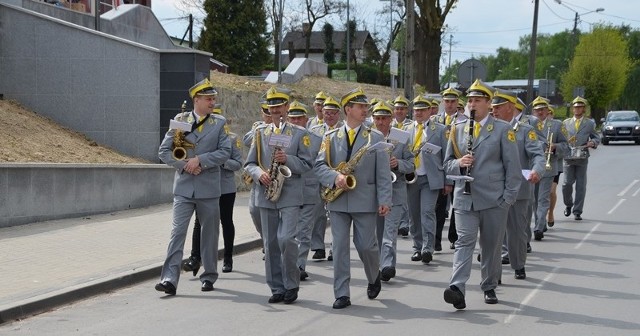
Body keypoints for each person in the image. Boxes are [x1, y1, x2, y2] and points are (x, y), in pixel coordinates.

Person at [442, 79, 521, 309]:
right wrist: (459, 162)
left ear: (488, 104)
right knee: (463, 242)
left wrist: (508, 199)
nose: (472, 104)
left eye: (477, 100)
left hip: (494, 198)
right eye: (470, 101)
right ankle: (457, 287)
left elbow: (513, 169)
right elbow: (446, 164)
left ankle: (488, 285)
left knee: (491, 245)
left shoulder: (502, 129)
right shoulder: (457, 129)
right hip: (464, 197)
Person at [315, 87, 392, 309]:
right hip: (338, 200)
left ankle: (373, 276)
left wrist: (384, 199)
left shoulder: (375, 137)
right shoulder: (329, 137)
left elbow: (383, 172)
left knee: (366, 246)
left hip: (365, 199)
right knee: (339, 247)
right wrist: (335, 177)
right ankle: (342, 293)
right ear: (348, 109)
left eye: (366, 106)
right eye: (361, 107)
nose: (365, 110)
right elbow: (319, 166)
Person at [155, 78, 231, 295]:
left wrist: (201, 160)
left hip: (208, 189)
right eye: (209, 99)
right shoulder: (180, 120)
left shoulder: (218, 123)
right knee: (177, 232)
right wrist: (185, 165)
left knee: (209, 234)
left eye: (214, 98)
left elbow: (225, 152)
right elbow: (164, 152)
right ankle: (169, 278)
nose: (212, 102)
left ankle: (208, 276)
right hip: (184, 188)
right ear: (196, 100)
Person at [244, 87, 313, 304]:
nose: (276, 111)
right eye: (272, 107)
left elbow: (307, 164)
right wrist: (259, 174)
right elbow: (249, 164)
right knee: (271, 242)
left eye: (279, 106)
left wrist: (288, 159)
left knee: (286, 239)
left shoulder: (300, 133)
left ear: (286, 107)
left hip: (290, 193)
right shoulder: (259, 133)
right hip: (267, 192)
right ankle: (276, 287)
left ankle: (291, 283)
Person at [181, 104, 244, 275]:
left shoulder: (231, 139)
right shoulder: (198, 135)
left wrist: (220, 161)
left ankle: (228, 257)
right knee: (198, 222)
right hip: (206, 186)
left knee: (225, 221)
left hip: (224, 187)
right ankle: (195, 258)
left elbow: (238, 163)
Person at [491, 89, 545, 280]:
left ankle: (519, 264)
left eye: (498, 107)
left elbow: (537, 154)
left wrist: (537, 170)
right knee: (493, 233)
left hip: (518, 189)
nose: (494, 110)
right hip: (491, 190)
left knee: (516, 231)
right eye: (493, 107)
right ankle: (493, 272)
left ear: (510, 108)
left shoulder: (525, 130)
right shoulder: (487, 129)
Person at [371, 101, 414, 281]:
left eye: (384, 118)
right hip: (373, 192)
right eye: (377, 118)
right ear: (373, 119)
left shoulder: (402, 137)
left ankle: (387, 265)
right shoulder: (368, 136)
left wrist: (398, 164)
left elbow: (411, 164)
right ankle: (380, 263)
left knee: (390, 230)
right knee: (377, 232)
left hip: (395, 189)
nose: (381, 122)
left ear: (391, 119)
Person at [406, 95, 448, 264]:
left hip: (431, 178)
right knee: (414, 215)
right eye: (416, 110)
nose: (419, 113)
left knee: (427, 212)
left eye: (422, 110)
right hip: (412, 178)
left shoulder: (440, 130)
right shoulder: (407, 130)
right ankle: (417, 247)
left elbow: (447, 157)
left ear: (430, 111)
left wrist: (448, 181)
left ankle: (427, 248)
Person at [286, 101, 323, 280]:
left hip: (309, 188)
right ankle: (288, 264)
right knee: (288, 232)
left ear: (306, 119)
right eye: (292, 118)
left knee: (304, 231)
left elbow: (322, 164)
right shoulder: (281, 135)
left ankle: (299, 266)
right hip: (287, 189)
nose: (295, 121)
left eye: (299, 118)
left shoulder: (316, 139)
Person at [308, 96, 343, 261]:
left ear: (338, 114)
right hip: (318, 177)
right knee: (317, 213)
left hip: (337, 177)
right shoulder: (315, 131)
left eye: (332, 113)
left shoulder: (343, 130)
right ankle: (318, 246)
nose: (328, 116)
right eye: (326, 113)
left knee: (335, 215)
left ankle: (333, 249)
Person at [530, 96, 568, 241]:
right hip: (532, 166)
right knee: (533, 199)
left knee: (543, 198)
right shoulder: (527, 124)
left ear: (547, 110)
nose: (540, 112)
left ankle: (539, 227)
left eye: (542, 109)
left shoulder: (557, 125)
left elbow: (566, 147)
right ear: (533, 111)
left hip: (548, 166)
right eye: (537, 110)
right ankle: (541, 221)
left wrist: (554, 147)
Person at [434, 87, 466, 250]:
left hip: (457, 167)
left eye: (453, 101)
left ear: (457, 102)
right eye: (447, 101)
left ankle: (454, 236)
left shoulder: (465, 121)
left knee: (457, 204)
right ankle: (436, 240)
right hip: (439, 168)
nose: (450, 104)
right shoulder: (435, 119)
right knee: (438, 207)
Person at [562, 96, 600, 221]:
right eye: (575, 107)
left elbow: (596, 137)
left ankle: (577, 211)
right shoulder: (566, 123)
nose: (577, 109)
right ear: (573, 109)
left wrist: (592, 143)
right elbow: (560, 138)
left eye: (580, 107)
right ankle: (568, 204)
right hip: (568, 156)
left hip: (582, 156)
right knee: (567, 183)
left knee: (581, 185)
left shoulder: (589, 123)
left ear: (583, 109)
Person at [243, 102, 272, 247]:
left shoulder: (280, 128)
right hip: (259, 176)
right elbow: (246, 140)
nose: (269, 115)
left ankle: (271, 245)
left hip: (276, 175)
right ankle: (266, 240)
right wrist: (260, 129)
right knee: (254, 211)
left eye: (270, 112)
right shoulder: (257, 127)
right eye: (266, 113)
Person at [391, 95, 413, 238]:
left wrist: (399, 163)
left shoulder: (410, 126)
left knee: (403, 199)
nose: (399, 111)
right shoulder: (387, 124)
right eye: (397, 108)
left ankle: (404, 224)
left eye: (402, 109)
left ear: (406, 111)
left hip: (403, 168)